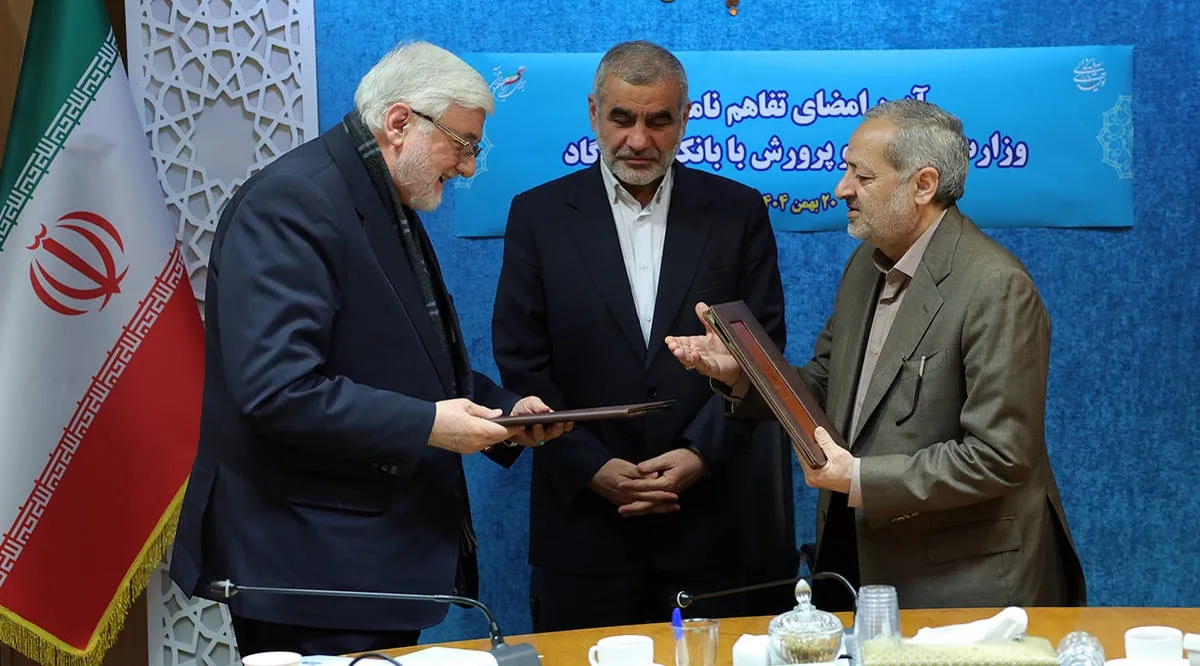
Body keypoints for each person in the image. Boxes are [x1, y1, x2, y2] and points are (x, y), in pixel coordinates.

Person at [170, 41, 567, 656]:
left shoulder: (380, 198)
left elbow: (409, 361)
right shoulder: (293, 202)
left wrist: (505, 412)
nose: (468, 168)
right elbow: (276, 391)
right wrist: (431, 425)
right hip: (310, 569)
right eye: (463, 144)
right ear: (400, 122)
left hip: (364, 562)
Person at [667, 99, 1086, 611]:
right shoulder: (865, 264)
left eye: (861, 176)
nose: (841, 188)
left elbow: (999, 457)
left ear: (923, 185)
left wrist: (859, 479)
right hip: (859, 564)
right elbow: (825, 385)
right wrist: (741, 375)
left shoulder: (996, 286)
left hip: (962, 585)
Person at [492, 40, 787, 631]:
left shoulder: (737, 211)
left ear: (685, 118)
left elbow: (764, 354)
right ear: (593, 112)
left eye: (658, 121)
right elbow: (522, 360)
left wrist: (700, 455)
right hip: (583, 529)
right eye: (622, 118)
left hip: (711, 526)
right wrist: (590, 465)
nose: (638, 140)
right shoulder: (538, 215)